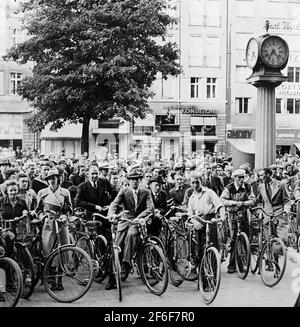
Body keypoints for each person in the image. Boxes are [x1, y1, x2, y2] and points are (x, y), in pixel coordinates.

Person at [106, 168, 154, 289]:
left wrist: (139, 218)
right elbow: (114, 204)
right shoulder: (124, 191)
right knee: (116, 246)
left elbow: (150, 208)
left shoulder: (146, 192)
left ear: (140, 180)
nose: (134, 182)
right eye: (132, 179)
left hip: (137, 222)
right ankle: (111, 279)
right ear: (129, 180)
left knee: (132, 235)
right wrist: (111, 214)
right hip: (125, 221)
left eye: (137, 179)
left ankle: (126, 263)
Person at [35, 168, 72, 291]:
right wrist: (43, 217)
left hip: (61, 224)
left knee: (62, 250)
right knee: (48, 251)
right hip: (48, 225)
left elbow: (69, 209)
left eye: (54, 178)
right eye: (49, 179)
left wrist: (65, 216)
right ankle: (50, 279)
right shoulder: (42, 193)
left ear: (59, 179)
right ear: (46, 180)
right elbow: (38, 210)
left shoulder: (65, 192)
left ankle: (60, 280)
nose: (52, 181)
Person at [220, 169, 256, 273]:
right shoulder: (229, 188)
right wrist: (234, 203)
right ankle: (231, 265)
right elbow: (222, 200)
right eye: (239, 177)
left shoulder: (248, 187)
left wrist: (246, 203)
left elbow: (253, 199)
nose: (241, 179)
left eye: (242, 177)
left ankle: (242, 264)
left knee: (245, 238)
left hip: (244, 214)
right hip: (232, 215)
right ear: (234, 178)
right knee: (233, 239)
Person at [187, 172, 226, 264]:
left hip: (210, 220)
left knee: (212, 243)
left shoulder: (209, 192)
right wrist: (195, 222)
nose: (195, 185)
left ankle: (213, 266)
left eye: (197, 182)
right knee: (200, 246)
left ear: (202, 182)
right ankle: (201, 268)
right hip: (199, 221)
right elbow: (190, 215)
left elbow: (220, 205)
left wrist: (222, 216)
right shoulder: (192, 198)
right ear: (190, 184)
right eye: (193, 183)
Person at [257, 167, 290, 245]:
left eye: (262, 175)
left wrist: (286, 210)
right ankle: (270, 254)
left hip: (279, 212)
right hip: (267, 213)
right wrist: (260, 211)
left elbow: (287, 200)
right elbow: (259, 201)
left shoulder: (281, 184)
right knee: (268, 239)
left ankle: (279, 252)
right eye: (259, 176)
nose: (260, 178)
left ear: (268, 175)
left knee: (282, 238)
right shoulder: (261, 186)